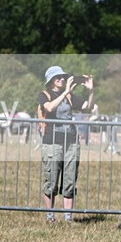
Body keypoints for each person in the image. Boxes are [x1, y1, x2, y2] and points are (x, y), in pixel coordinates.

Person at [39, 66, 95, 224]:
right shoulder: (45, 95)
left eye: (63, 77)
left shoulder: (69, 96)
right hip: (52, 141)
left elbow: (88, 107)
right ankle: (50, 217)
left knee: (70, 179)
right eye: (58, 77)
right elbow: (49, 107)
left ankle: (68, 217)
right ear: (50, 80)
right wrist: (65, 92)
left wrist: (91, 91)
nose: (62, 79)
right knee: (51, 179)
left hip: (71, 141)